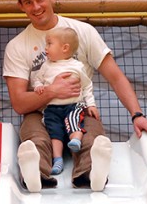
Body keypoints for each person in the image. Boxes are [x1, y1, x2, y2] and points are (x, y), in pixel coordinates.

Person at [3, 0, 147, 193]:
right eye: (28, 2)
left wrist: (137, 115)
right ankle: (36, 174)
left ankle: (92, 174)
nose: (36, 7)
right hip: (40, 111)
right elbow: (18, 102)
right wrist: (52, 91)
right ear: (21, 6)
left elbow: (115, 77)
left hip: (78, 108)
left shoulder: (82, 31)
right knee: (36, 139)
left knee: (92, 137)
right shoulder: (17, 46)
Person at [32, 27, 100, 175]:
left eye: (49, 44)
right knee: (54, 133)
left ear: (64, 48)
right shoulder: (46, 65)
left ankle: (75, 140)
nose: (46, 48)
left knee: (74, 121)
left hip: (73, 105)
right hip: (52, 108)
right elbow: (38, 80)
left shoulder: (77, 66)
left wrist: (91, 104)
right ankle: (58, 159)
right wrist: (38, 87)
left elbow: (87, 86)